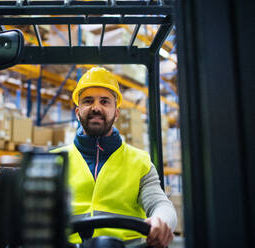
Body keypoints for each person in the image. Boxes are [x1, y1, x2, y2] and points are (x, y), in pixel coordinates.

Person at [52, 67, 177, 248]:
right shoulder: (54, 161)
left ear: (116, 113)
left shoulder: (140, 162)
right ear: (78, 112)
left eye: (104, 101)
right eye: (88, 101)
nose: (96, 107)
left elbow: (161, 203)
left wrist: (160, 220)